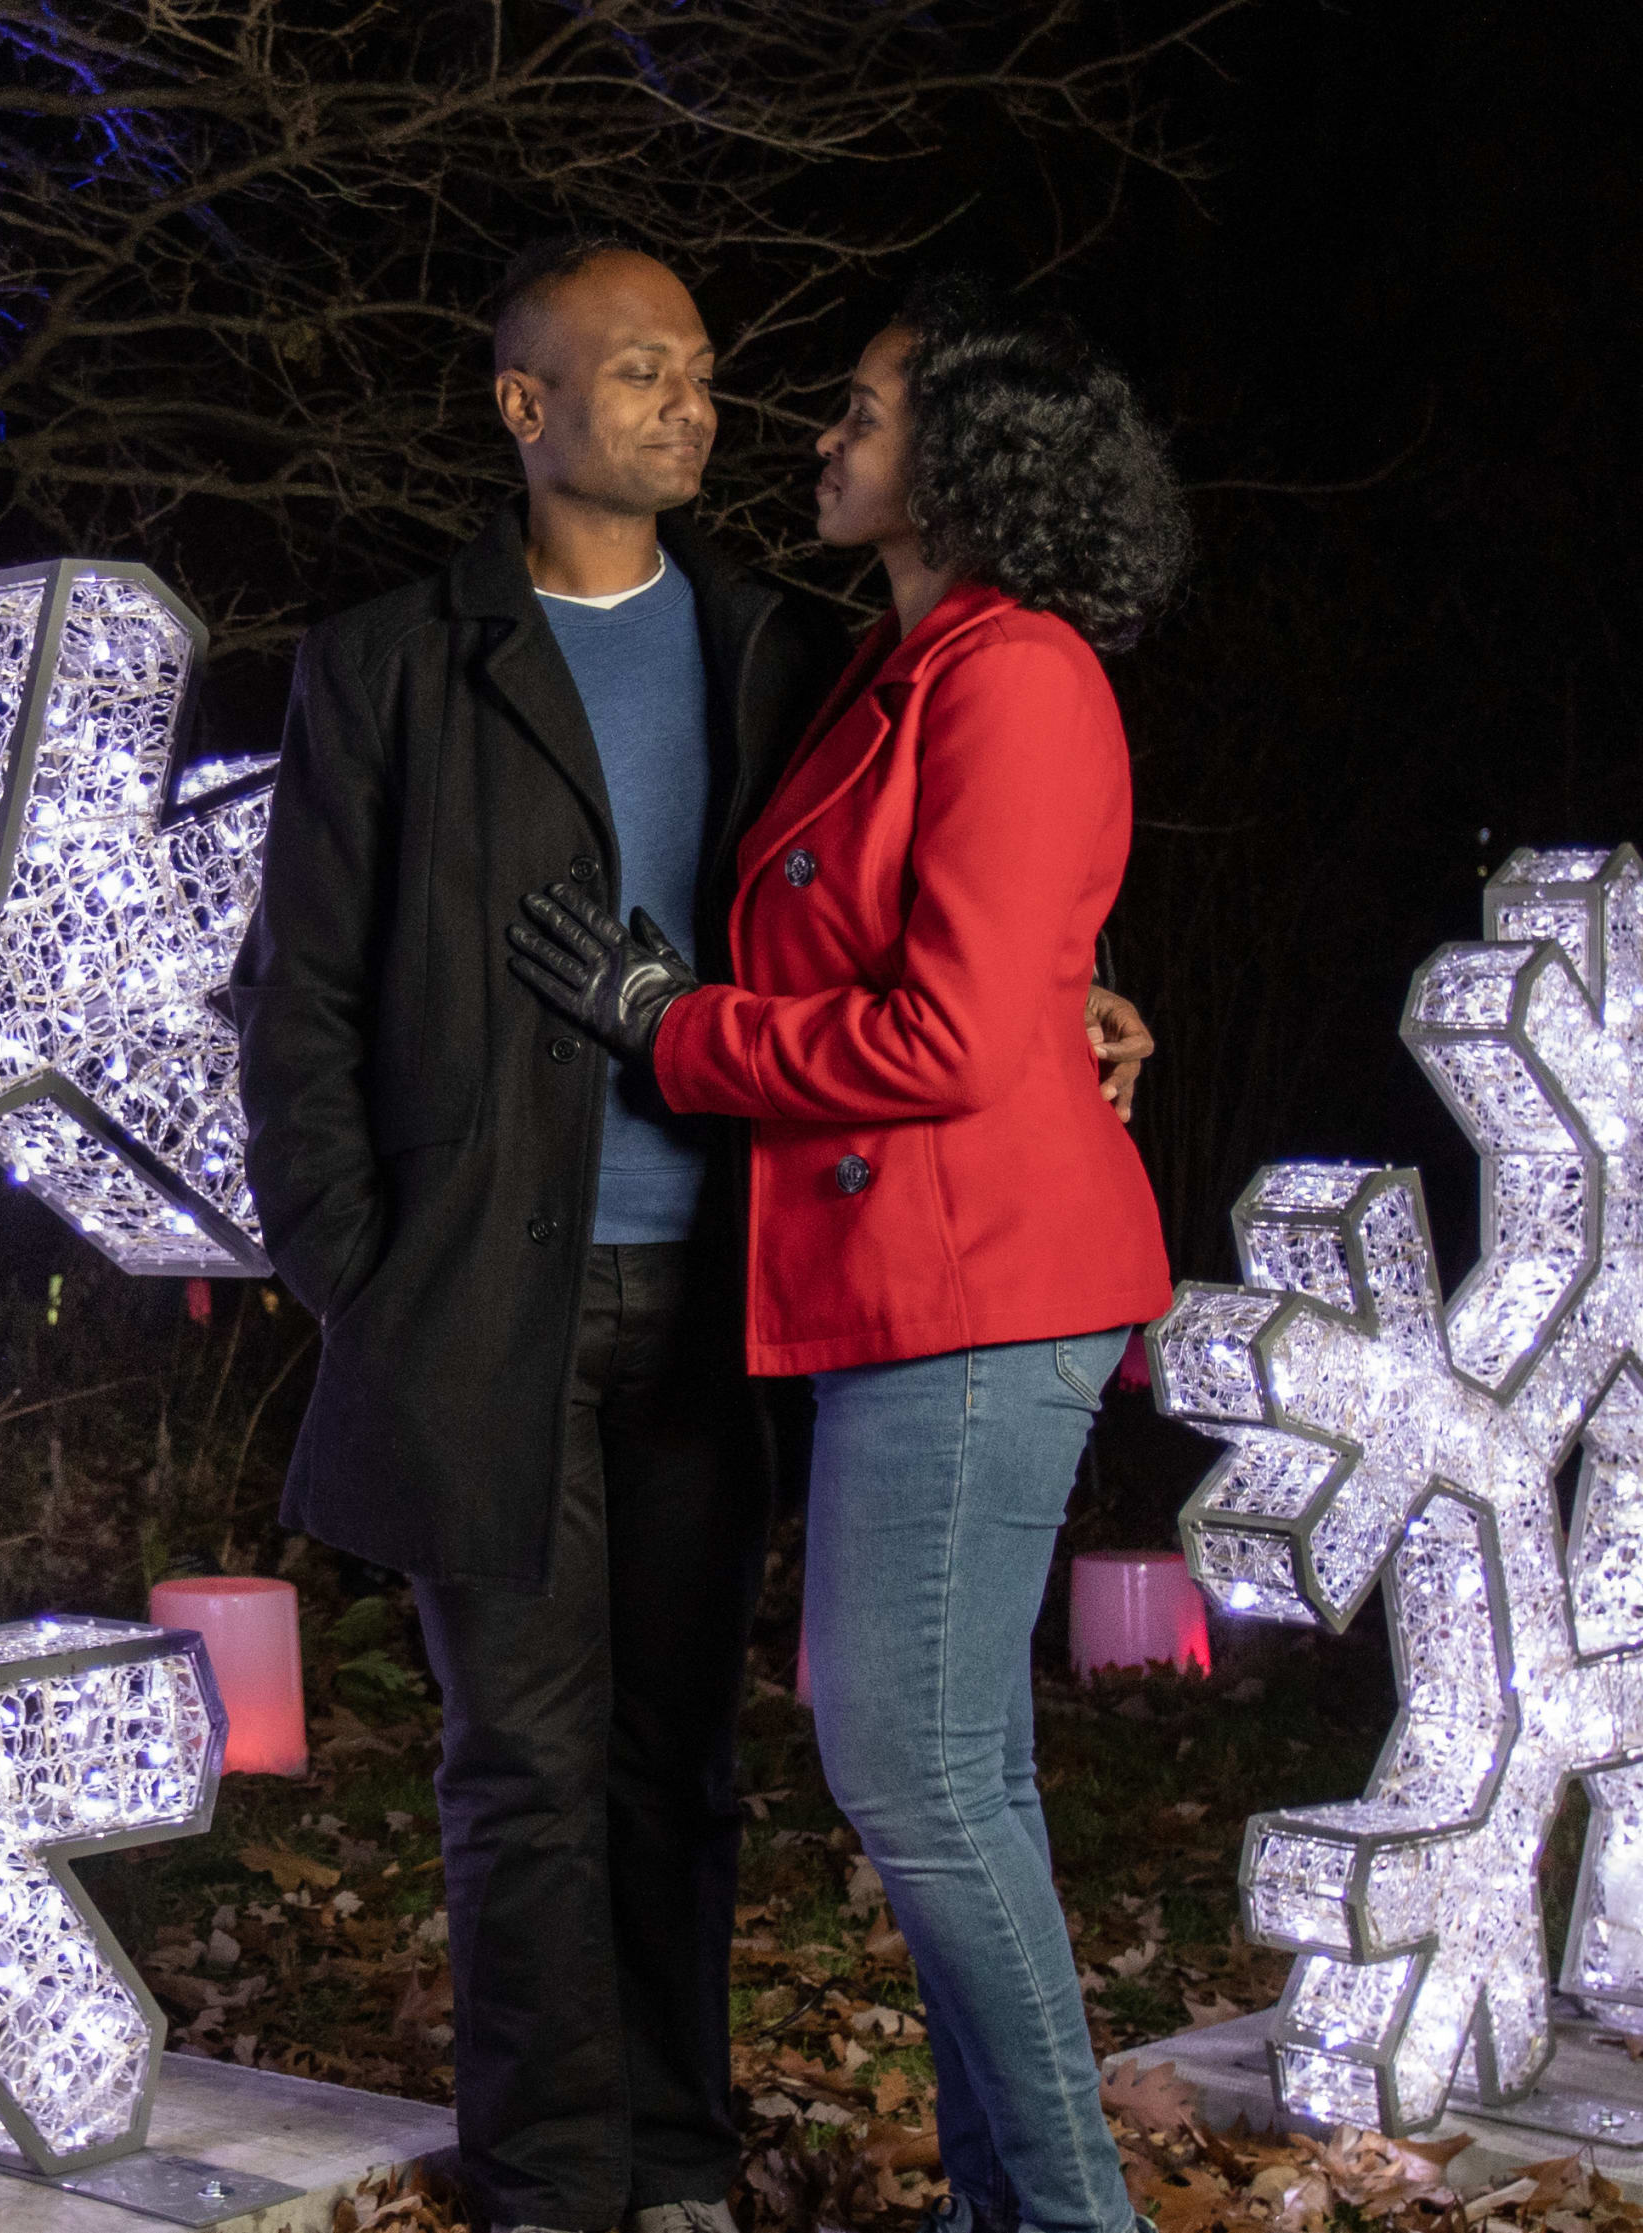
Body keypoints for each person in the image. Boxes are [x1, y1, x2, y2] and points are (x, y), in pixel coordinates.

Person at [231, 241, 1150, 2233]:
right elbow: (296, 1000)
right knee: (522, 1768)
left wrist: (1067, 994)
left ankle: (678, 2161)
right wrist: (360, 1273)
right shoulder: (394, 661)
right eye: (642, 370)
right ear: (525, 403)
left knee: (685, 1761)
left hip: (734, 1294)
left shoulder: (779, 652)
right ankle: (557, 2179)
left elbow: (937, 913)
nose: (699, 407)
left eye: (713, 377)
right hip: (487, 1299)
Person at [506, 276, 1189, 2233]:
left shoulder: (1013, 673)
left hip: (983, 1291)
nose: (825, 438)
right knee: (953, 1778)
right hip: (920, 1290)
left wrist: (670, 1024)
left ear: (961, 462)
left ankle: (1065, 2220)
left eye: (868, 413)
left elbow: (954, 1037)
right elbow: (995, 960)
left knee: (906, 1770)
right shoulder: (901, 671)